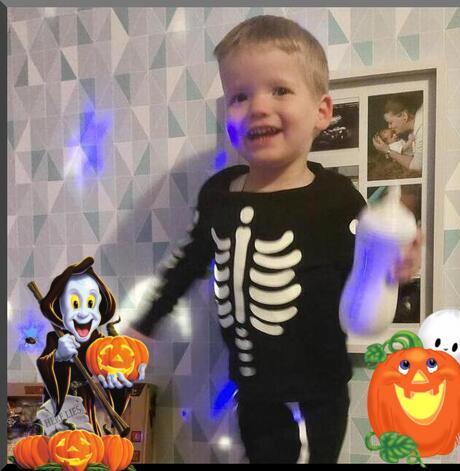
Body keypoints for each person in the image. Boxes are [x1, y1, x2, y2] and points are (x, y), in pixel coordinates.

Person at [130, 15, 422, 463]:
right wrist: (142, 327)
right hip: (252, 392)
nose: (258, 107)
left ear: (322, 112)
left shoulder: (337, 199)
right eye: (239, 96)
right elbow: (187, 264)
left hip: (317, 395)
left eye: (280, 90)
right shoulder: (219, 194)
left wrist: (395, 269)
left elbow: (364, 278)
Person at [372, 94, 423, 172]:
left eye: (390, 122)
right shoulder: (419, 119)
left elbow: (417, 166)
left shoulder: (421, 128)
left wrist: (387, 151)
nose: (389, 127)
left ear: (404, 116)